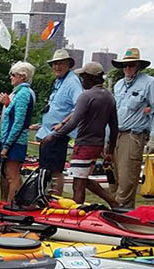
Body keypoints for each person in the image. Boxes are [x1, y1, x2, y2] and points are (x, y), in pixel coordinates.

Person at [46, 62, 119, 207]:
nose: (81, 81)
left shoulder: (86, 96)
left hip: (84, 144)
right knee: (83, 179)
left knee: (78, 185)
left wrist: (54, 135)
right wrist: (110, 151)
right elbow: (114, 127)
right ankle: (114, 202)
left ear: (89, 78)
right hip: (97, 145)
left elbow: (74, 121)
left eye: (83, 78)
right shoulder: (109, 96)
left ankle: (77, 212)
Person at [110, 47, 154, 208]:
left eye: (131, 65)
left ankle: (123, 211)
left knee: (128, 177)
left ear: (138, 66)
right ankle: (115, 209)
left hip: (133, 135)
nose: (127, 68)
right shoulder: (119, 85)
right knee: (113, 177)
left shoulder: (149, 83)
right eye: (125, 65)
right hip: (116, 134)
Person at [36, 50, 82, 196]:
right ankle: (46, 196)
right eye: (55, 64)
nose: (57, 67)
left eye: (61, 63)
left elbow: (79, 106)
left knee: (55, 170)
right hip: (47, 132)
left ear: (68, 64)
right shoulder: (59, 81)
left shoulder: (72, 82)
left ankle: (55, 199)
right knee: (46, 168)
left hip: (58, 134)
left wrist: (62, 124)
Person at [0, 61, 36, 202]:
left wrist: (7, 146)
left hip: (16, 141)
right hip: (12, 139)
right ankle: (12, 202)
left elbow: (19, 122)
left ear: (23, 77)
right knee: (9, 174)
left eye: (13, 75)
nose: (11, 77)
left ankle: (13, 204)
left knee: (12, 175)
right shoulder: (19, 93)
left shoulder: (23, 94)